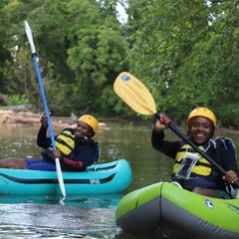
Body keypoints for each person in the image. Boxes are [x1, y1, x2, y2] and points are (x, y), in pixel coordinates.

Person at [151, 107, 239, 198]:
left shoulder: (220, 147)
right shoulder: (181, 146)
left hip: (214, 195)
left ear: (212, 130)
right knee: (166, 186)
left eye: (206, 126)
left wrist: (232, 174)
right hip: (180, 192)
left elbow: (232, 168)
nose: (200, 129)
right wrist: (158, 130)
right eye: (195, 125)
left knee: (197, 191)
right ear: (190, 128)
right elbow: (158, 144)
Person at [0, 114, 99, 171]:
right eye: (78, 126)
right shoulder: (69, 135)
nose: (79, 129)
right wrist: (44, 127)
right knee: (12, 160)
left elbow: (80, 165)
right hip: (49, 161)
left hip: (62, 168)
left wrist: (61, 158)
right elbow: (42, 143)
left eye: (84, 128)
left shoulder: (88, 146)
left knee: (15, 165)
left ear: (90, 133)